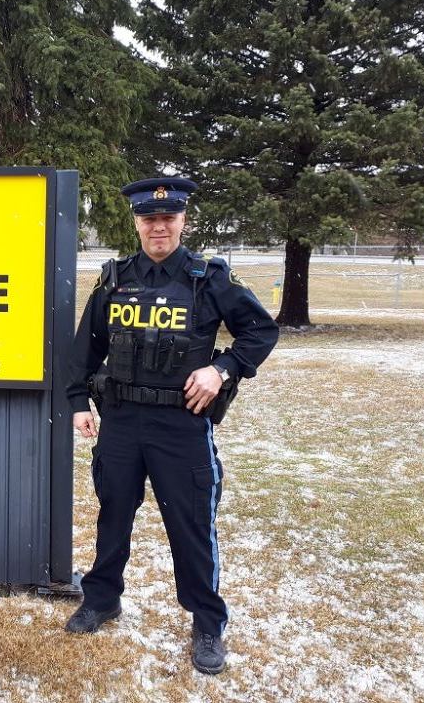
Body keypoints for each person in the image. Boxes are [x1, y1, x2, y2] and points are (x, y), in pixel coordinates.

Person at [64, 177, 279, 675]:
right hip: (119, 421)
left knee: (190, 525)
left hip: (181, 425)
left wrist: (221, 368)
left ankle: (207, 621)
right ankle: (102, 599)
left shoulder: (208, 277)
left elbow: (261, 330)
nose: (159, 227)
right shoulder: (115, 278)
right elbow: (86, 348)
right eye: (149, 219)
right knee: (113, 513)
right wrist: (79, 402)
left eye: (168, 218)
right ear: (137, 223)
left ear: (183, 221)